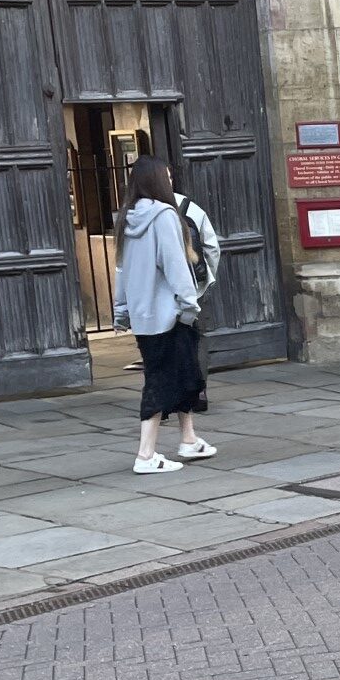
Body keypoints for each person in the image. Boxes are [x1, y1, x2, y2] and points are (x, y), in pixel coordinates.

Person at [112, 154, 216, 474]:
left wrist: (121, 310)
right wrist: (189, 305)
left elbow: (121, 268)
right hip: (169, 315)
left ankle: (189, 439)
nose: (170, 182)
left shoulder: (126, 218)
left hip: (143, 316)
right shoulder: (165, 216)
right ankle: (145, 455)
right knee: (159, 382)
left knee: (187, 375)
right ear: (157, 181)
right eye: (167, 177)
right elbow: (175, 265)